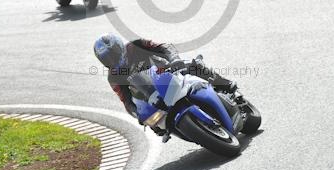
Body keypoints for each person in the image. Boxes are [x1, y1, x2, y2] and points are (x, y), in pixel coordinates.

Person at [93, 33, 241, 120]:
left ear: (119, 47)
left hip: (167, 72)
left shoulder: (135, 45)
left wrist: (174, 59)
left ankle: (225, 85)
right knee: (153, 123)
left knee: (193, 65)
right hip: (152, 96)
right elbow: (126, 101)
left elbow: (164, 47)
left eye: (113, 54)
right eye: (107, 59)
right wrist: (137, 115)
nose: (112, 60)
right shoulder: (114, 77)